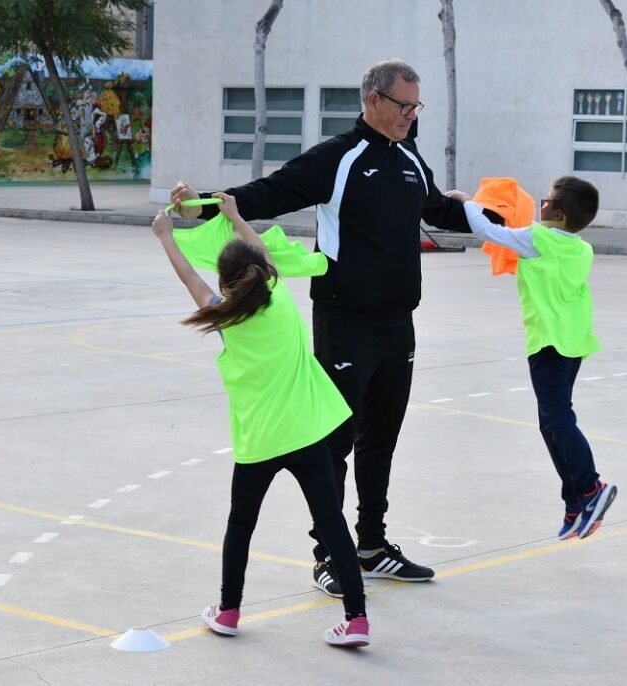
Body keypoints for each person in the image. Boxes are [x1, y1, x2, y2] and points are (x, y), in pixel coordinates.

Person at [170, 58, 505, 597]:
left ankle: (371, 544)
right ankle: (330, 552)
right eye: (404, 106)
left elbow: (439, 208)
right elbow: (270, 192)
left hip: (400, 324)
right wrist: (201, 203)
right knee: (334, 442)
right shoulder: (339, 157)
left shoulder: (409, 158)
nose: (411, 116)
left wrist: (497, 222)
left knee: (383, 439)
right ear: (373, 100)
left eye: (417, 107)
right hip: (345, 322)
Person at [152, 193, 370, 648]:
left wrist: (166, 238)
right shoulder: (280, 299)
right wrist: (234, 217)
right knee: (332, 523)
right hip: (307, 433)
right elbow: (266, 255)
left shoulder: (223, 316)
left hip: (259, 442)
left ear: (226, 283)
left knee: (241, 525)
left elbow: (188, 275)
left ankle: (228, 611)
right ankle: (356, 619)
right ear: (265, 275)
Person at [446, 176, 617, 540]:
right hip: (573, 344)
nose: (539, 206)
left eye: (546, 201)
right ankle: (574, 503)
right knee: (551, 421)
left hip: (548, 344)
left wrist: (466, 200)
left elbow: (485, 229)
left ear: (555, 213)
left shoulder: (537, 240)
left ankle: (590, 487)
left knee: (557, 419)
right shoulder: (581, 248)